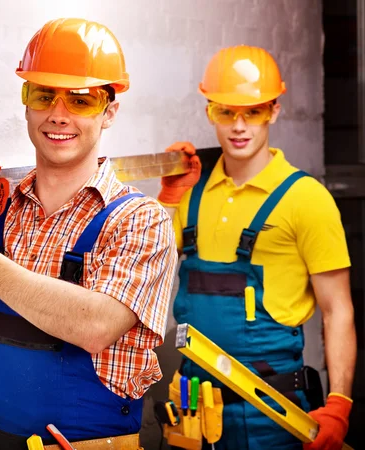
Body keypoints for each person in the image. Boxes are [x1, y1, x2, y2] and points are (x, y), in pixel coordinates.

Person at [0, 17, 178, 449]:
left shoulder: (138, 221)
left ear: (110, 111)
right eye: (43, 95)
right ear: (27, 103)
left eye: (81, 100)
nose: (58, 114)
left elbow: (95, 325)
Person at [158, 45, 357, 450]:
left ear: (275, 111)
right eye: (225, 111)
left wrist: (339, 403)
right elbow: (148, 270)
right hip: (191, 412)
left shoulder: (307, 200)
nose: (239, 125)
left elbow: (338, 310)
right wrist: (165, 200)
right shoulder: (191, 192)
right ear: (210, 111)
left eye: (254, 111)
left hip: (274, 414)